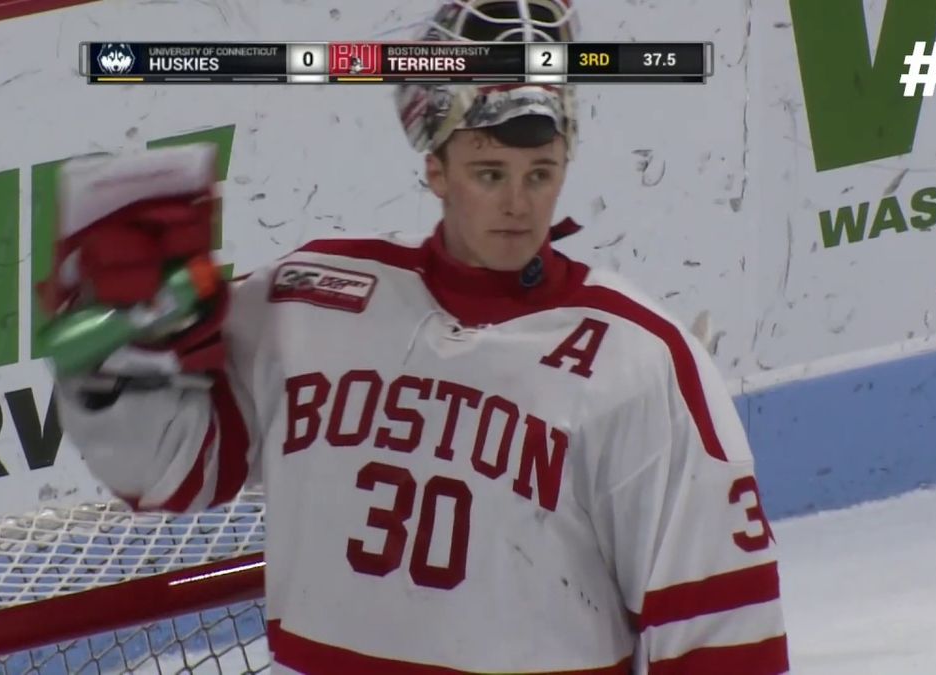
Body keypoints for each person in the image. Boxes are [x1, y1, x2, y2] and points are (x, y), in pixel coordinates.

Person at [43, 1, 789, 672]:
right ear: (435, 168)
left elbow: (724, 633)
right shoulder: (310, 299)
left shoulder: (641, 359)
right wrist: (114, 372)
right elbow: (173, 471)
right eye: (489, 172)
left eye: (541, 172)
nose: (518, 203)